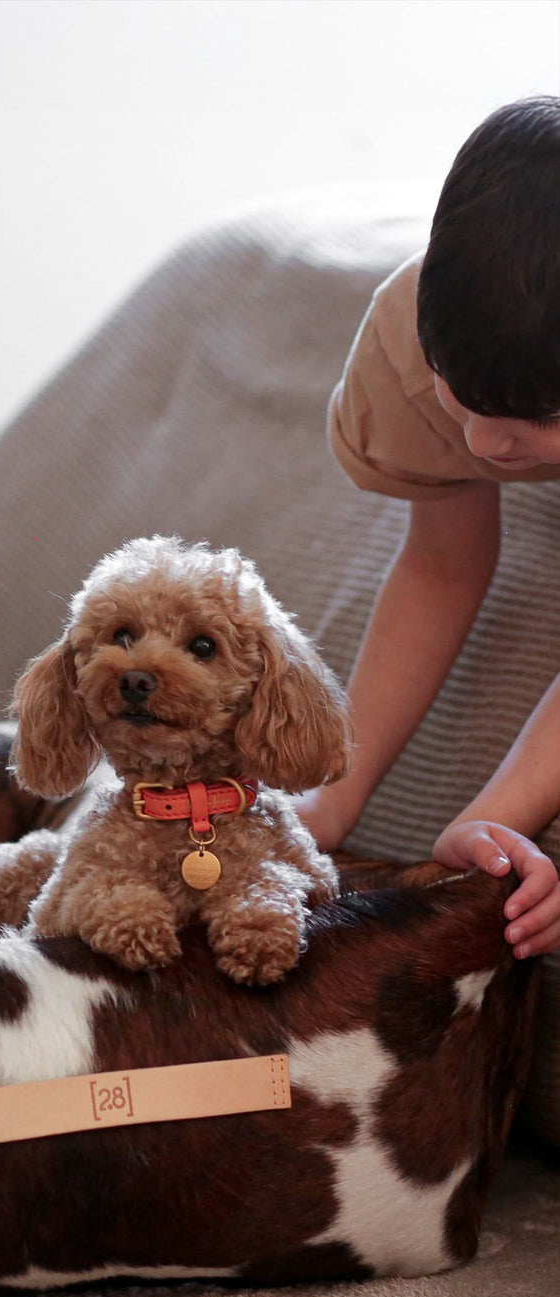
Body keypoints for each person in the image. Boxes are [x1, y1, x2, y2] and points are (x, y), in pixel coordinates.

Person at [296, 95, 560, 960]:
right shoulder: (414, 330)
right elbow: (444, 566)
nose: (485, 443)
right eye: (460, 389)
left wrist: (495, 818)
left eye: (531, 420)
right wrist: (331, 793)